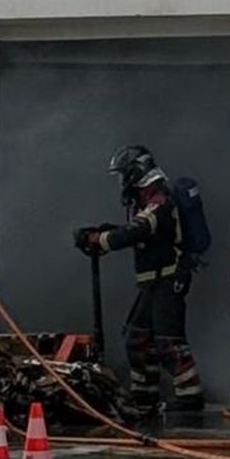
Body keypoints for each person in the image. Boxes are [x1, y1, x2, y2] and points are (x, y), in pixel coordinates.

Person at [79, 145, 204, 415]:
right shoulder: (146, 200)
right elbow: (134, 229)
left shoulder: (160, 200)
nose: (121, 182)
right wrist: (103, 232)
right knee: (137, 339)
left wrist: (99, 240)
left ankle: (190, 400)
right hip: (153, 283)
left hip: (168, 281)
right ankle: (144, 398)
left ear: (136, 172)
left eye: (123, 174)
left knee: (168, 343)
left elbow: (139, 230)